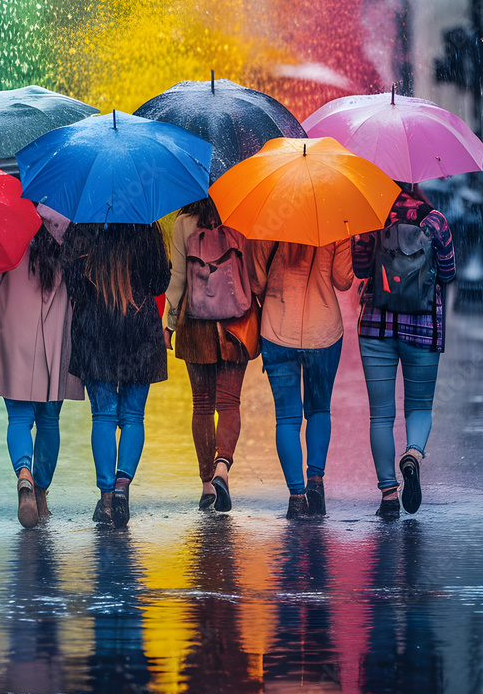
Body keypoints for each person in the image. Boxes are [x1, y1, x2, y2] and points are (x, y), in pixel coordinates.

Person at [352, 182, 455, 517]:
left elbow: (360, 268)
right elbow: (449, 273)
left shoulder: (371, 220)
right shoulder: (435, 220)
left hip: (376, 328)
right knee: (419, 406)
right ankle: (412, 454)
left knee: (381, 414)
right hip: (423, 328)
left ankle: (388, 495)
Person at [0, 205, 82, 528]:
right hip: (57, 332)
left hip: (15, 328)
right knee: (50, 420)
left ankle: (23, 471)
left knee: (19, 417)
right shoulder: (70, 229)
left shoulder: (10, 227)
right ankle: (41, 491)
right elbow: (80, 284)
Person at [62, 222, 170, 528]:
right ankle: (123, 485)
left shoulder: (83, 223)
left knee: (104, 416)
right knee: (133, 416)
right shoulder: (146, 224)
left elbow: (72, 282)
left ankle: (107, 500)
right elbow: (159, 282)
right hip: (139, 329)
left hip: (95, 329)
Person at [248, 237, 353, 519]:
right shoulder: (335, 217)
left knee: (287, 418)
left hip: (277, 328)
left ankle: (296, 497)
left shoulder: (269, 218)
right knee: (319, 409)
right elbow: (343, 280)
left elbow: (256, 283)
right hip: (324, 332)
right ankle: (316, 482)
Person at [164, 198, 251, 512]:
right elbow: (253, 275)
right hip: (235, 323)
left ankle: (205, 487)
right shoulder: (243, 216)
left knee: (202, 405)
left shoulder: (184, 222)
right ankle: (222, 469)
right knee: (229, 403)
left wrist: (169, 325)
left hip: (195, 323)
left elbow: (177, 279)